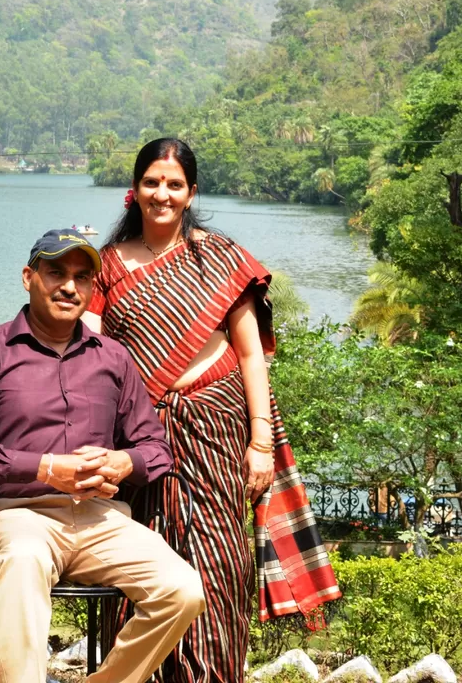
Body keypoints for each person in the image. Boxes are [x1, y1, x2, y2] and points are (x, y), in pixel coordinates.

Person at [83, 138, 340, 683]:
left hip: (219, 429)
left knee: (220, 563)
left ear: (191, 192)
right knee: (140, 558)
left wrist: (262, 443)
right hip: (141, 437)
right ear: (135, 191)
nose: (163, 194)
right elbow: (90, 358)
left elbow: (250, 353)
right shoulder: (106, 268)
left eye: (174, 184)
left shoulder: (221, 258)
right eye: (152, 182)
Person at [0, 228, 205, 683]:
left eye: (82, 277)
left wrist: (124, 463)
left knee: (182, 590)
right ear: (28, 277)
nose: (69, 286)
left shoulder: (113, 360)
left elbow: (156, 449)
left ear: (92, 288)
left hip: (101, 519)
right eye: (55, 272)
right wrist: (43, 467)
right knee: (23, 561)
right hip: (15, 516)